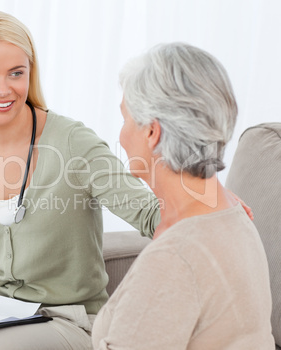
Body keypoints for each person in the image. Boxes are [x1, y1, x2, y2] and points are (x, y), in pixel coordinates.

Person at [0, 10, 252, 350]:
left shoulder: (73, 143)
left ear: (30, 70)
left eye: (16, 72)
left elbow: (150, 213)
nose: (3, 89)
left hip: (68, 319)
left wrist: (208, 196)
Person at [92, 43, 275, 349]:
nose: (121, 136)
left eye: (125, 119)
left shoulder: (174, 259)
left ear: (153, 132)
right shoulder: (233, 215)